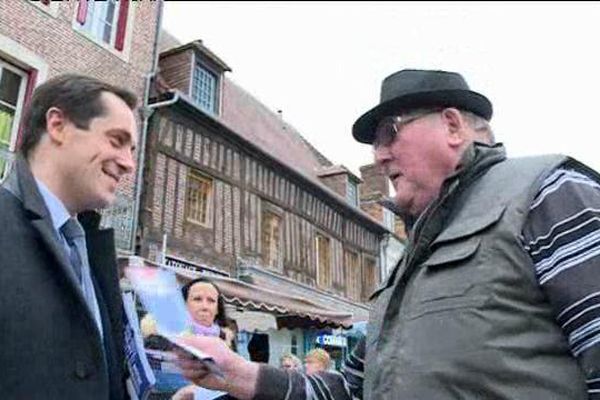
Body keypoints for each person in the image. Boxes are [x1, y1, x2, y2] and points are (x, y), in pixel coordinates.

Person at [173, 69, 600, 399]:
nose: (378, 156)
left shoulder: (547, 192)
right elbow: (352, 389)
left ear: (452, 126)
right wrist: (242, 374)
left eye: (389, 132)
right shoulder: (408, 264)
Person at [0, 74, 137, 399]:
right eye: (116, 140)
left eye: (132, 149)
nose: (129, 164)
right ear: (58, 125)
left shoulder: (87, 249)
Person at [143, 277, 235, 399]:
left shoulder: (225, 345)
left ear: (217, 309)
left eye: (211, 301)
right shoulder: (160, 338)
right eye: (197, 299)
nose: (205, 306)